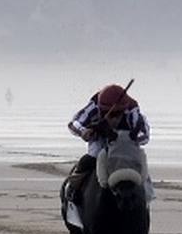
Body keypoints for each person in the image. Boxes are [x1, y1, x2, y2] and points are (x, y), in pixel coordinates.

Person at [63, 83, 151, 211]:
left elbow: (144, 137)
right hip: (100, 141)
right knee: (89, 160)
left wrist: (134, 136)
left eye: (118, 114)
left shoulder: (132, 109)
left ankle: (146, 198)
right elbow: (74, 124)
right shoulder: (94, 106)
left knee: (140, 165)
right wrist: (84, 132)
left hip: (124, 144)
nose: (114, 119)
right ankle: (73, 188)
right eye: (109, 114)